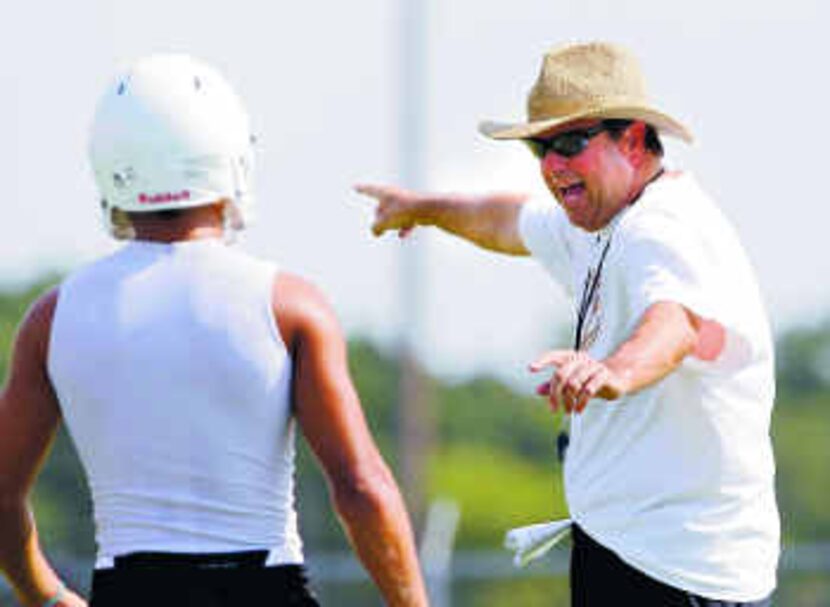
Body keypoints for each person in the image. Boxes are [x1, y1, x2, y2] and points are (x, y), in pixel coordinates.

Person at [357, 41, 779, 605]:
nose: (553, 165)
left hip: (678, 571)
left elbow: (674, 324)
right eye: (540, 148)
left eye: (571, 143)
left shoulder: (662, 228)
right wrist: (424, 207)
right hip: (633, 553)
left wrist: (614, 372)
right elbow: (507, 221)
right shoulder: (603, 221)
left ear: (632, 140)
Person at [0, 54, 429, 607]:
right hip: (265, 587)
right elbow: (361, 487)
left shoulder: (52, 318)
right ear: (231, 158)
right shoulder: (289, 305)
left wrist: (47, 596)